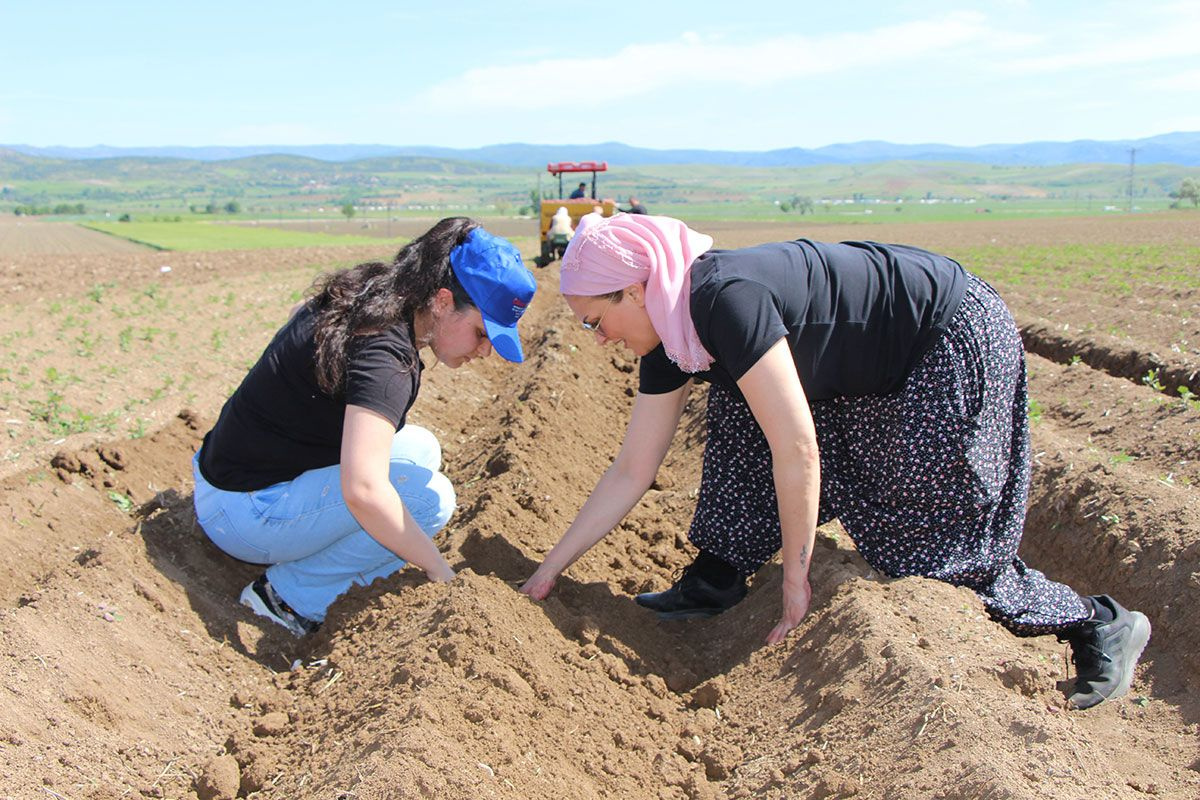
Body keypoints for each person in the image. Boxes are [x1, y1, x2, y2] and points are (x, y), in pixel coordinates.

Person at [520, 213, 1150, 710]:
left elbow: (797, 448)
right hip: (860, 359)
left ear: (635, 289)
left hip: (942, 336)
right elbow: (634, 467)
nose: (598, 339)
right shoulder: (669, 328)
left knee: (930, 549)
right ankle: (717, 575)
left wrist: (797, 582)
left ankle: (1096, 623)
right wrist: (549, 569)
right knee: (740, 406)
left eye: (596, 322)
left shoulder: (723, 301)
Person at [193, 218, 537, 636]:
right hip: (244, 511)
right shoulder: (387, 360)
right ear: (443, 301)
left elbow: (296, 314)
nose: (485, 352)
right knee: (429, 502)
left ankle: (305, 555)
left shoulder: (375, 291)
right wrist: (441, 571)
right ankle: (286, 599)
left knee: (420, 449)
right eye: (482, 334)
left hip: (228, 472)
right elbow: (363, 491)